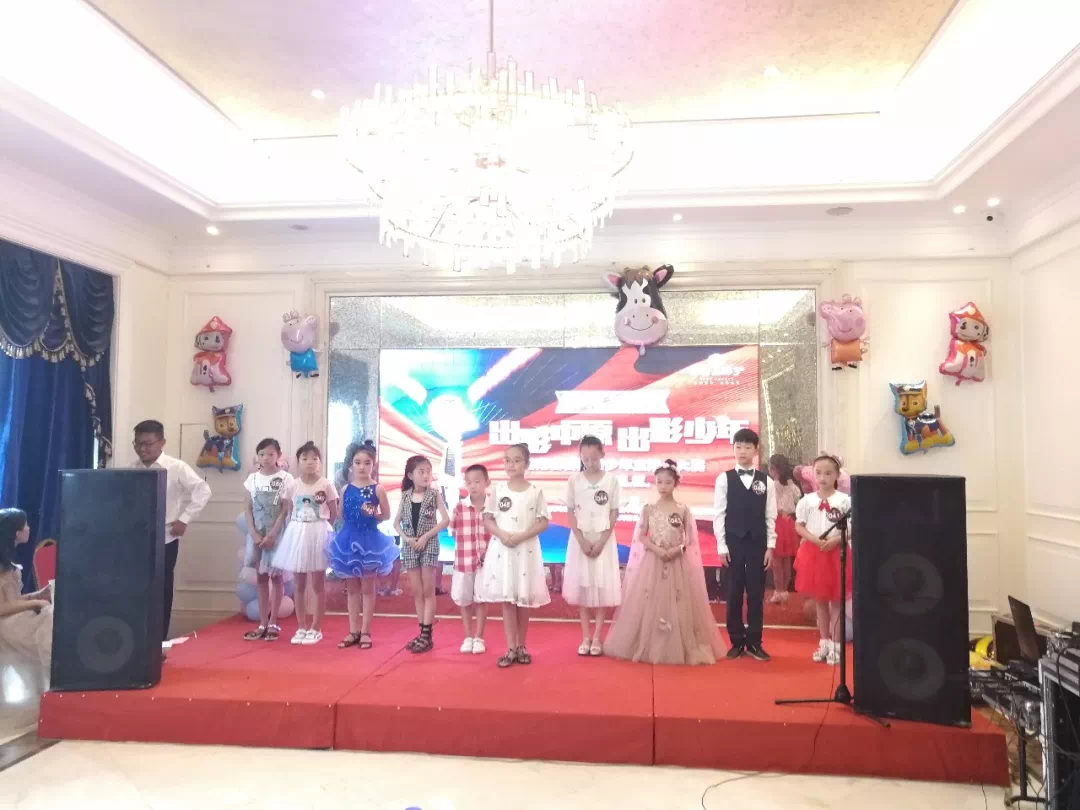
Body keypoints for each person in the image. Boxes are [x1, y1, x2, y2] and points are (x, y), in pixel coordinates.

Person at [605, 461, 725, 665]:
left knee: (679, 602)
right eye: (659, 482)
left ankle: (678, 644)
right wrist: (658, 550)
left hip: (678, 563)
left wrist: (676, 550)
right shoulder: (649, 509)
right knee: (651, 599)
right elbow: (641, 536)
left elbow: (690, 539)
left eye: (668, 482)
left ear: (675, 483)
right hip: (653, 562)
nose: (663, 486)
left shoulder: (683, 509)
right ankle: (647, 643)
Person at [131, 419, 211, 640]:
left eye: (148, 444)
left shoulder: (176, 467)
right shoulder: (132, 468)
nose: (142, 449)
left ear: (162, 442)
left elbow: (203, 490)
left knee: (162, 591)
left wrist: (184, 519)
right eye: (138, 443)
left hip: (165, 538)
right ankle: (137, 639)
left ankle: (159, 641)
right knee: (136, 591)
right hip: (135, 540)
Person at [479, 443, 551, 668]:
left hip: (526, 549)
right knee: (508, 599)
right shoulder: (498, 490)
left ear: (527, 463)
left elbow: (543, 522)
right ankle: (510, 647)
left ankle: (521, 646)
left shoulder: (535, 491)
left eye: (517, 460)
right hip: (503, 550)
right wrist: (502, 534)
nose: (511, 465)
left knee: (523, 599)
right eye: (507, 460)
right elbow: (488, 519)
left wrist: (522, 536)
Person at [713, 428, 776, 661]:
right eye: (738, 446)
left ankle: (755, 642)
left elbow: (771, 516)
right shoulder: (724, 479)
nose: (742, 451)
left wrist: (770, 546)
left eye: (747, 447)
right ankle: (736, 641)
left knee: (756, 594)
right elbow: (719, 514)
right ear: (733, 449)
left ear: (756, 450)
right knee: (734, 592)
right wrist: (721, 546)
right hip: (733, 543)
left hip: (758, 543)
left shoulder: (766, 481)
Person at [327, 440, 396, 650]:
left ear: (373, 465)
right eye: (358, 462)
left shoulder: (378, 489)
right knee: (352, 589)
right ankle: (353, 630)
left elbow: (386, 515)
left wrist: (372, 516)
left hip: (370, 541)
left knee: (367, 588)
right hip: (348, 540)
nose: (362, 467)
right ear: (351, 465)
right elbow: (341, 515)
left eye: (367, 463)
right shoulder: (345, 489)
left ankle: (366, 631)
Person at [272, 442, 338, 645]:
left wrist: (324, 529)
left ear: (320, 462)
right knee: (299, 584)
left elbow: (334, 512)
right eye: (305, 458)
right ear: (298, 462)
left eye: (314, 459)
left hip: (319, 532)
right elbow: (288, 510)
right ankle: (301, 627)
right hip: (297, 533)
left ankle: (316, 628)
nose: (310, 462)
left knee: (318, 584)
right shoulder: (293, 485)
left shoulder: (326, 484)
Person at [564, 435, 622, 656]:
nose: (590, 463)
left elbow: (614, 512)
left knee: (600, 587)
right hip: (580, 540)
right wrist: (581, 540)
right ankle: (585, 637)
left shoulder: (611, 481)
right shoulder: (574, 480)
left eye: (594, 459)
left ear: (602, 455)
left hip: (603, 541)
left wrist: (601, 541)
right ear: (580, 457)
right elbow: (570, 511)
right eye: (586, 459)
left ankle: (597, 637)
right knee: (583, 588)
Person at [794, 455, 852, 666]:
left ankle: (836, 646)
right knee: (820, 601)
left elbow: (853, 527)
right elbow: (799, 525)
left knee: (836, 601)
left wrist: (837, 540)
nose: (823, 477)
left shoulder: (845, 501)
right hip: (814, 553)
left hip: (836, 552)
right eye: (818, 473)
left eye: (828, 473)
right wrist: (814, 539)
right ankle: (824, 642)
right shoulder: (807, 500)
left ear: (837, 475)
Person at [394, 455, 449, 654]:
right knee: (417, 591)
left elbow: (445, 520)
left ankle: (427, 635)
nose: (426, 475)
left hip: (429, 543)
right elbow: (396, 523)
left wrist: (425, 537)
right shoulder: (405, 495)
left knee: (428, 590)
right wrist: (407, 538)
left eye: (428, 472)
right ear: (410, 475)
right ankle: (421, 632)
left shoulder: (434, 494)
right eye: (421, 472)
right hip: (410, 545)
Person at [242, 438, 292, 642]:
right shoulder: (252, 479)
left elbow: (285, 509)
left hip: (276, 534)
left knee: (276, 577)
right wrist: (254, 533)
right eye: (262, 454)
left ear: (278, 455)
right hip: (257, 533)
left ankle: (273, 622)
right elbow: (247, 508)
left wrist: (273, 535)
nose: (266, 458)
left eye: (271, 454)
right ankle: (262, 622)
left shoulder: (286, 478)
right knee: (261, 577)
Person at [0, 509, 52, 671]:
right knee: (49, 620)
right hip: (5, 624)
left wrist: (38, 594)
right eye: (26, 525)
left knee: (51, 617)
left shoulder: (6, 562)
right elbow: (2, 607)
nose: (29, 528)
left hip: (11, 618)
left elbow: (12, 600)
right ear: (17, 533)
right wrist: (36, 602)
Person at [449, 464, 491, 654]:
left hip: (486, 563)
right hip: (463, 561)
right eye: (469, 482)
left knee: (481, 599)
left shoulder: (493, 507)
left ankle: (479, 637)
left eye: (477, 481)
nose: (473, 486)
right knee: (465, 600)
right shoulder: (460, 507)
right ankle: (467, 636)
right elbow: (452, 531)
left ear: (487, 482)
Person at [767, 454, 802, 606]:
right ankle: (785, 592)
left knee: (776, 560)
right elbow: (798, 500)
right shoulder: (792, 485)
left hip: (777, 522)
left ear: (774, 469)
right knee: (786, 559)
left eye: (771, 467)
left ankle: (779, 591)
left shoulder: (772, 486)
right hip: (789, 523)